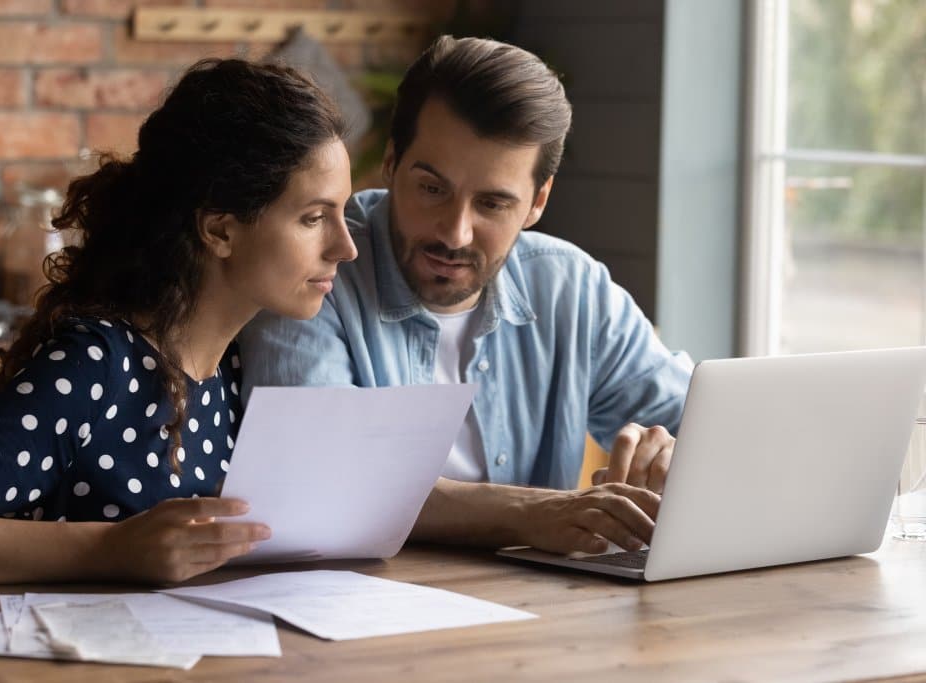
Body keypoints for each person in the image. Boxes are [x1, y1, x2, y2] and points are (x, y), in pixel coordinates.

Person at [0, 58, 357, 585]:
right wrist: (110, 546)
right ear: (220, 231)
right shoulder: (98, 366)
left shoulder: (238, 365)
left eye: (342, 214)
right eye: (314, 218)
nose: (344, 248)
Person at [238, 35, 693, 557]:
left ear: (537, 203)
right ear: (391, 162)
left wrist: (677, 454)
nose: (454, 233)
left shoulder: (572, 288)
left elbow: (707, 427)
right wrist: (531, 514)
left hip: (540, 614)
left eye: (493, 204)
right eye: (432, 188)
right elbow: (322, 478)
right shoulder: (317, 272)